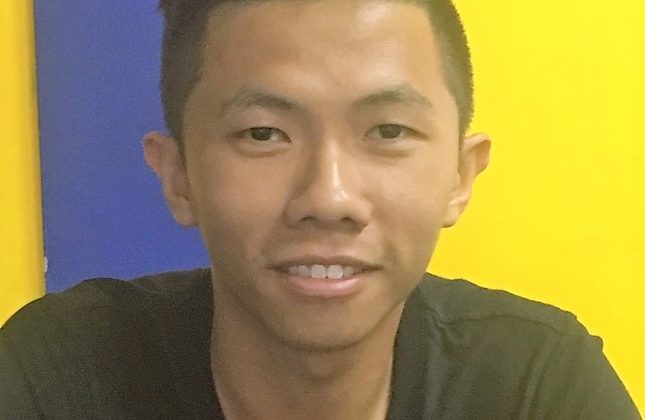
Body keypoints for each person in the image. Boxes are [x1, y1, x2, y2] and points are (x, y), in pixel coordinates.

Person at [0, 0, 640, 418]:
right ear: (178, 177)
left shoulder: (535, 386)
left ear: (460, 175)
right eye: (263, 134)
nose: (329, 198)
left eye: (388, 131)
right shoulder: (61, 378)